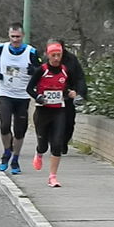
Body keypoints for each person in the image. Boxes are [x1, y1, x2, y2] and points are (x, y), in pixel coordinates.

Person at [26, 41, 80, 187]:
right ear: (48, 55)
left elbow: (72, 86)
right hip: (43, 112)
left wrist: (71, 92)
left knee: (57, 144)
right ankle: (39, 153)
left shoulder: (65, 71)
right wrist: (38, 97)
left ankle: (52, 177)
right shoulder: (41, 70)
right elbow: (29, 89)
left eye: (59, 55)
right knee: (43, 145)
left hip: (59, 111)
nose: (56, 58)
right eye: (53, 55)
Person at [0, 23, 41, 173]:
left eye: (18, 37)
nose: (15, 40)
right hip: (5, 93)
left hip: (23, 95)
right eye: (12, 37)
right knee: (4, 125)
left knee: (19, 130)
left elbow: (40, 70)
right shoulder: (1, 49)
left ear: (22, 36)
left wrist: (34, 71)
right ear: (9, 35)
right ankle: (6, 152)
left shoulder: (31, 51)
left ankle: (16, 159)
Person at [56, 40, 87, 154]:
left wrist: (79, 92)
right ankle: (54, 142)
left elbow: (79, 77)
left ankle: (63, 142)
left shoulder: (71, 59)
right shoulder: (46, 59)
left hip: (68, 96)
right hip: (51, 97)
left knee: (69, 122)